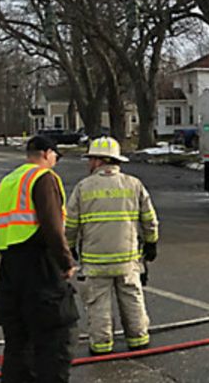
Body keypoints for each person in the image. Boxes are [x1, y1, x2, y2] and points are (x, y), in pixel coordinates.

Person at [0, 135, 78, 382]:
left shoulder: (8, 181)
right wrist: (66, 261)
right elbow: (52, 225)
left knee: (18, 343)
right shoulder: (43, 178)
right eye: (56, 156)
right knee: (55, 337)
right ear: (46, 153)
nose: (56, 161)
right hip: (39, 265)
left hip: (10, 267)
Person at [65, 136, 158, 355]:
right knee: (132, 298)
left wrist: (70, 247)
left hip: (96, 261)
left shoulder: (83, 187)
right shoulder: (134, 185)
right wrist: (151, 242)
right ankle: (138, 340)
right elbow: (149, 219)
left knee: (98, 304)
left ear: (99, 160)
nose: (89, 164)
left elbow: (70, 224)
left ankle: (101, 346)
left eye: (90, 159)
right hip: (127, 259)